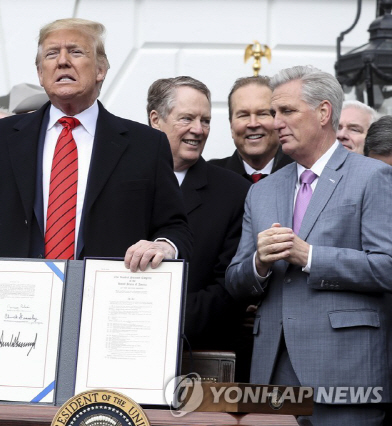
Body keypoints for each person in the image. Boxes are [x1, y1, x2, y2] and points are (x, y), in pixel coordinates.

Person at [0, 18, 192, 328]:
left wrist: (163, 246)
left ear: (101, 69)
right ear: (39, 73)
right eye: (51, 54)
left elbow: (174, 226)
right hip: (11, 318)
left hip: (105, 319)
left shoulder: (145, 145)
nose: (62, 61)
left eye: (75, 51)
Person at [226, 65, 392, 426]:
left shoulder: (372, 176)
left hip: (346, 372)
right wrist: (260, 263)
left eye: (286, 111)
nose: (275, 123)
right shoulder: (262, 190)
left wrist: (311, 256)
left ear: (323, 112)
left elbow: (387, 267)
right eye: (274, 113)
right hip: (272, 372)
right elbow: (236, 281)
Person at [147, 76, 249, 353]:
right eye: (187, 118)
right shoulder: (121, 181)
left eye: (205, 121)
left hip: (196, 351)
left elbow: (230, 284)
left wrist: (160, 318)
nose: (198, 130)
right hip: (117, 342)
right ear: (156, 120)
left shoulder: (234, 191)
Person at [210, 76, 292, 183]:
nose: (253, 124)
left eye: (262, 114)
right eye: (243, 115)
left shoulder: (303, 174)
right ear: (231, 125)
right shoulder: (210, 177)